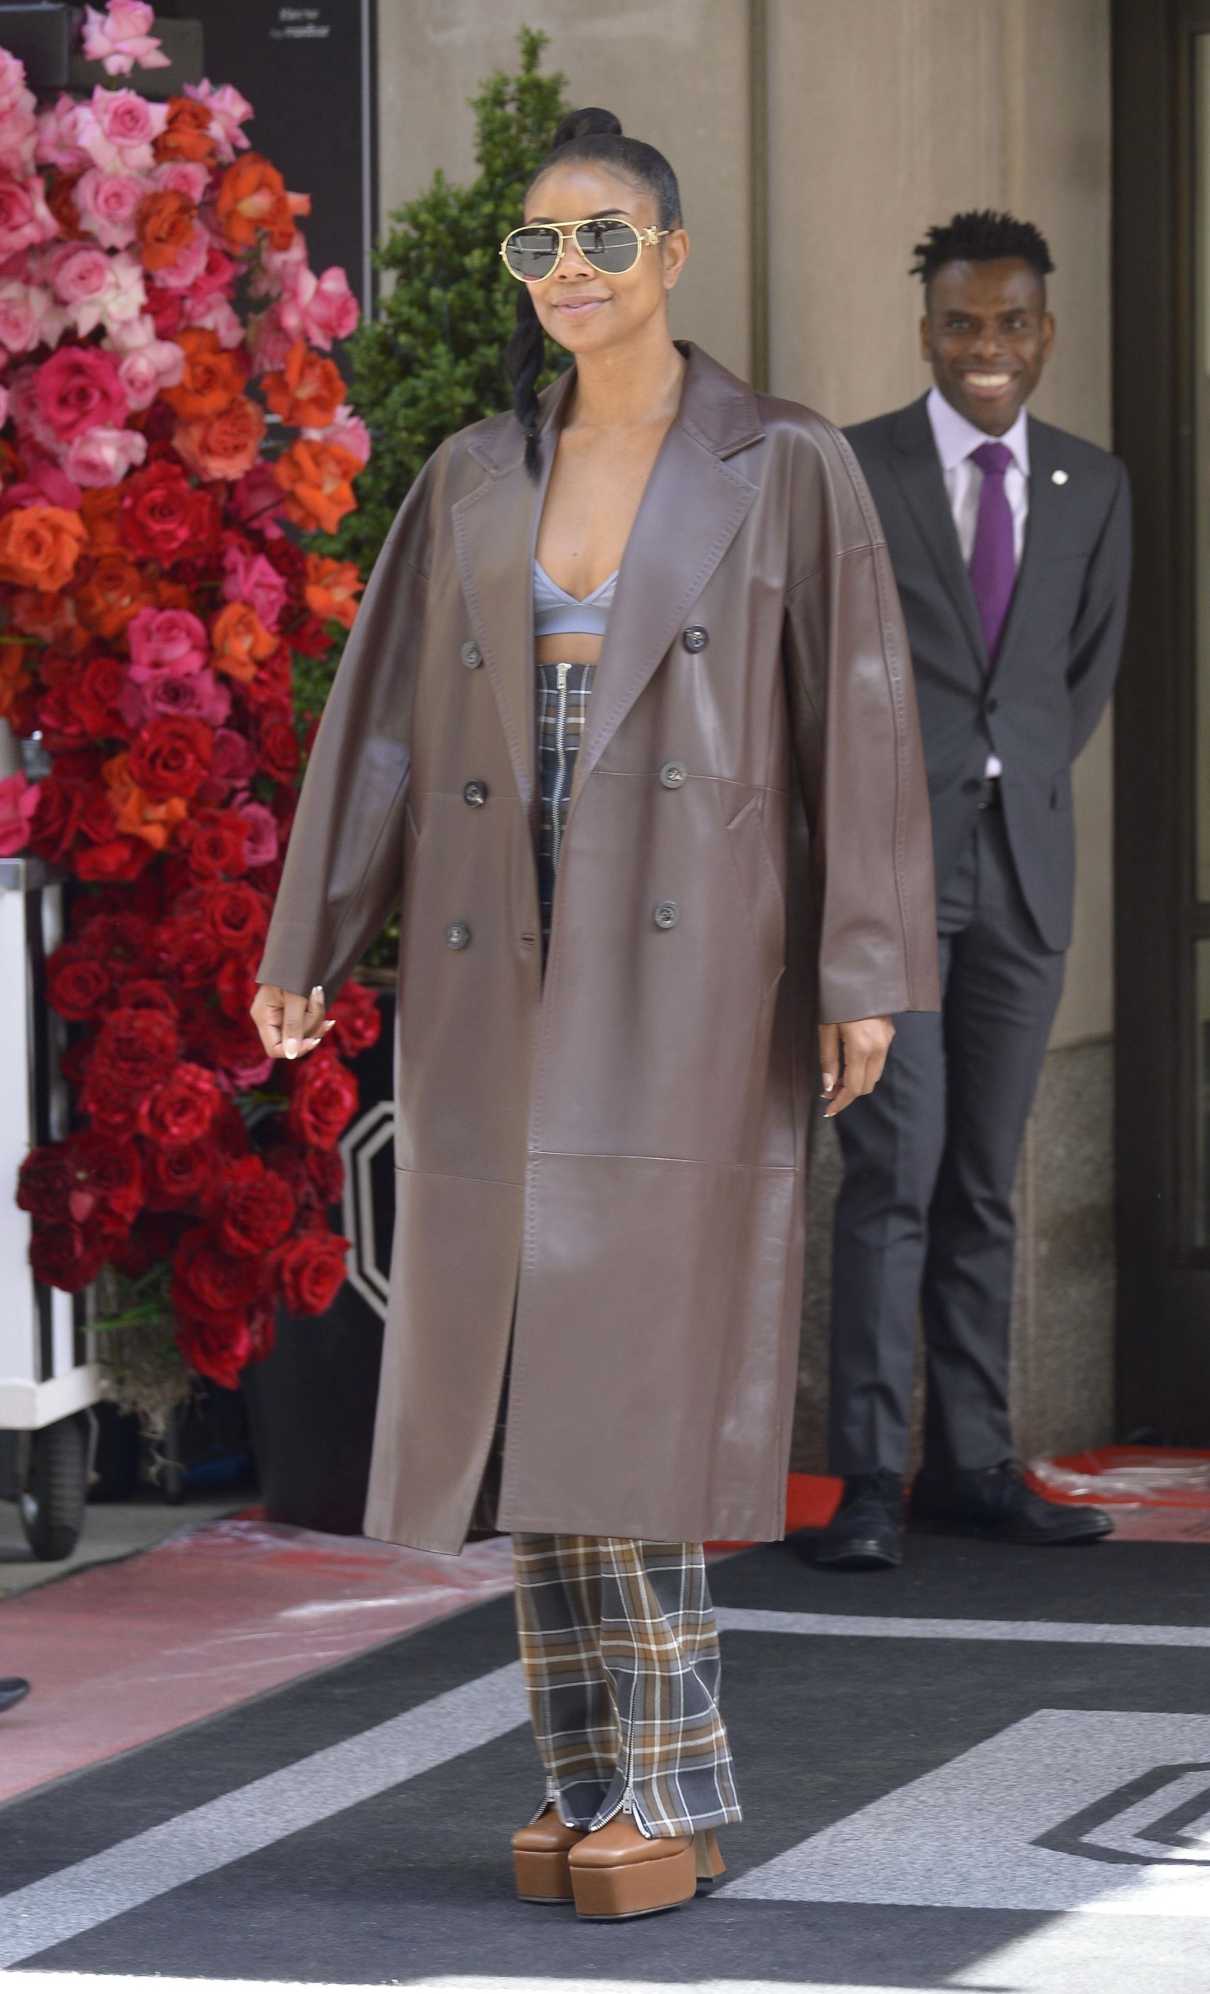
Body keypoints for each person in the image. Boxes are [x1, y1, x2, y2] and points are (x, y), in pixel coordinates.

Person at [252, 108, 938, 1919]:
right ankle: (582, 1777)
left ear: (674, 256)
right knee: (534, 1386)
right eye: (538, 246)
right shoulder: (475, 471)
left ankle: (664, 1780)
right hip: (498, 958)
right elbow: (384, 719)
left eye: (604, 241)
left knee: (629, 1382)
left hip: (697, 959)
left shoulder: (779, 463)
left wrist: (863, 959)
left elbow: (858, 717)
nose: (568, 274)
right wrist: (313, 928)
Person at [814, 210, 1132, 1572]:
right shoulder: (855, 468)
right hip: (893, 869)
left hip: (1021, 876)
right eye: (960, 322)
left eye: (1009, 324)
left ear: (1042, 333)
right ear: (926, 328)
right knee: (893, 1168)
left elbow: (1081, 672)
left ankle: (975, 1465)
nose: (985, 348)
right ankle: (871, 1483)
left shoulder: (1089, 484)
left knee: (985, 1182)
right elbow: (818, 667)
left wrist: (1014, 774)